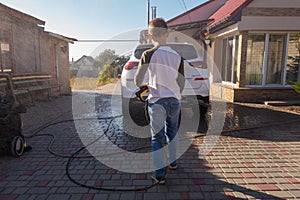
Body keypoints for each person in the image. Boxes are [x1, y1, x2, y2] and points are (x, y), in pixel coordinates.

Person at [134, 18, 185, 184]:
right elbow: (181, 82)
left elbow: (137, 80)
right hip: (175, 101)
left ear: (150, 36)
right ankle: (174, 163)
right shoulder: (177, 56)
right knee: (173, 133)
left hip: (157, 101)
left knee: (158, 137)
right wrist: (176, 93)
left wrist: (145, 85)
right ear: (167, 34)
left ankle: (160, 175)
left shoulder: (148, 54)